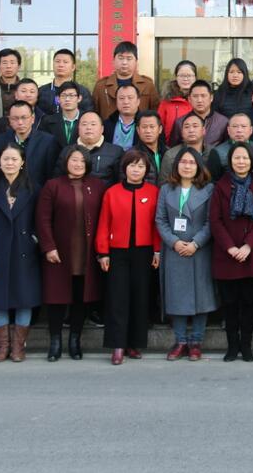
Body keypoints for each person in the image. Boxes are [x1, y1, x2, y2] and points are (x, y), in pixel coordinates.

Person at [36, 146, 106, 361]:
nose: (78, 164)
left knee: (80, 297)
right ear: (66, 162)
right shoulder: (53, 185)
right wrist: (49, 247)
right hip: (59, 252)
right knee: (56, 298)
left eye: (82, 161)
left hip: (86, 252)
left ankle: (75, 340)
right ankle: (55, 342)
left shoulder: (97, 185)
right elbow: (42, 219)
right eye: (74, 160)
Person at [0, 143, 41, 363]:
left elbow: (39, 222)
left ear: (22, 163)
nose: (10, 163)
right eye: (6, 159)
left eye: (14, 159)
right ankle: (2, 347)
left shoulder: (33, 189)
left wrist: (34, 241)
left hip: (24, 251)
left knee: (24, 298)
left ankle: (18, 347)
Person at [96, 151, 162, 365]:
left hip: (144, 251)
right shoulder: (112, 192)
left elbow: (157, 224)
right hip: (117, 251)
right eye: (132, 166)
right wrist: (103, 252)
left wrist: (157, 250)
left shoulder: (154, 192)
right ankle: (118, 345)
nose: (136, 170)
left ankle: (135, 343)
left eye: (140, 166)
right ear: (124, 169)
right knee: (118, 298)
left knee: (140, 297)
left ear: (146, 170)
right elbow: (104, 223)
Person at [155, 147, 215, 362]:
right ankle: (180, 341)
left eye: (191, 162)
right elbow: (160, 220)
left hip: (199, 249)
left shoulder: (209, 189)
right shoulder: (166, 189)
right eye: (183, 162)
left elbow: (211, 221)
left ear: (199, 166)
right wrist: (174, 242)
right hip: (175, 249)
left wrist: (196, 243)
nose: (187, 166)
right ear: (176, 165)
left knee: (201, 296)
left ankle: (196, 342)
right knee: (176, 296)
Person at [210, 143, 253, 362]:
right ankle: (232, 346)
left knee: (249, 304)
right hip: (226, 255)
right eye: (236, 158)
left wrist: (248, 245)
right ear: (230, 161)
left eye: (245, 158)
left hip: (251, 255)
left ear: (252, 161)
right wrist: (231, 247)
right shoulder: (221, 186)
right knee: (230, 305)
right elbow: (215, 220)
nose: (241, 162)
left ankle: (246, 345)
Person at [0, 100, 57, 189]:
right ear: (9, 120)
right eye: (15, 118)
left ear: (32, 119)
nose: (20, 122)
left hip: (37, 193)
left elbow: (51, 175)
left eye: (24, 118)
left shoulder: (47, 141)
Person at [92, 40, 158, 120]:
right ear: (113, 61)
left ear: (136, 62)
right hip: (109, 127)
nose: (124, 62)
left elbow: (155, 112)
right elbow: (93, 114)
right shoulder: (101, 86)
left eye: (129, 58)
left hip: (139, 127)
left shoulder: (147, 84)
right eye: (121, 58)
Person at [66, 111, 124, 184]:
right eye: (84, 124)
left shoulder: (116, 152)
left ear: (102, 129)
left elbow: (121, 182)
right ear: (78, 128)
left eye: (93, 124)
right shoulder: (67, 151)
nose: (88, 127)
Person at [37, 48, 94, 117]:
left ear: (73, 67)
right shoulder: (41, 91)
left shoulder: (82, 92)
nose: (61, 65)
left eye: (65, 62)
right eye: (57, 61)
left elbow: (88, 116)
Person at [207, 112, 253, 178]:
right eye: (235, 126)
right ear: (228, 130)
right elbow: (213, 180)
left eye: (243, 126)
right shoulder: (217, 152)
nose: (239, 130)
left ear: (251, 130)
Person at [174, 80, 229, 146]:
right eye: (195, 96)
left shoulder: (223, 122)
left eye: (203, 96)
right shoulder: (180, 122)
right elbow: (174, 149)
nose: (199, 100)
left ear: (211, 98)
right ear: (189, 99)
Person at [40, 80, 86, 150]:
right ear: (58, 99)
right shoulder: (47, 122)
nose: (67, 99)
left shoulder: (87, 119)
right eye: (63, 96)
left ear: (79, 98)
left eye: (71, 95)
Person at [164, 113, 213, 178]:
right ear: (182, 132)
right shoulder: (171, 155)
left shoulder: (212, 153)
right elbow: (164, 182)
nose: (191, 130)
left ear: (203, 130)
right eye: (187, 127)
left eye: (195, 126)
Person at [156, 59, 196, 140]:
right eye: (181, 76)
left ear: (195, 77)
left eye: (189, 75)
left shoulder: (201, 99)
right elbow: (158, 127)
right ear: (176, 77)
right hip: (171, 145)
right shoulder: (167, 101)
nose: (185, 79)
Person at [132, 110, 169, 186]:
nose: (148, 131)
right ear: (138, 130)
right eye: (144, 127)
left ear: (160, 129)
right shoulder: (131, 155)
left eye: (152, 127)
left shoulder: (169, 153)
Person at [104, 84, 142, 150]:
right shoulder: (106, 125)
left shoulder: (145, 124)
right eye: (121, 98)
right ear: (116, 101)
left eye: (130, 98)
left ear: (138, 101)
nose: (126, 102)